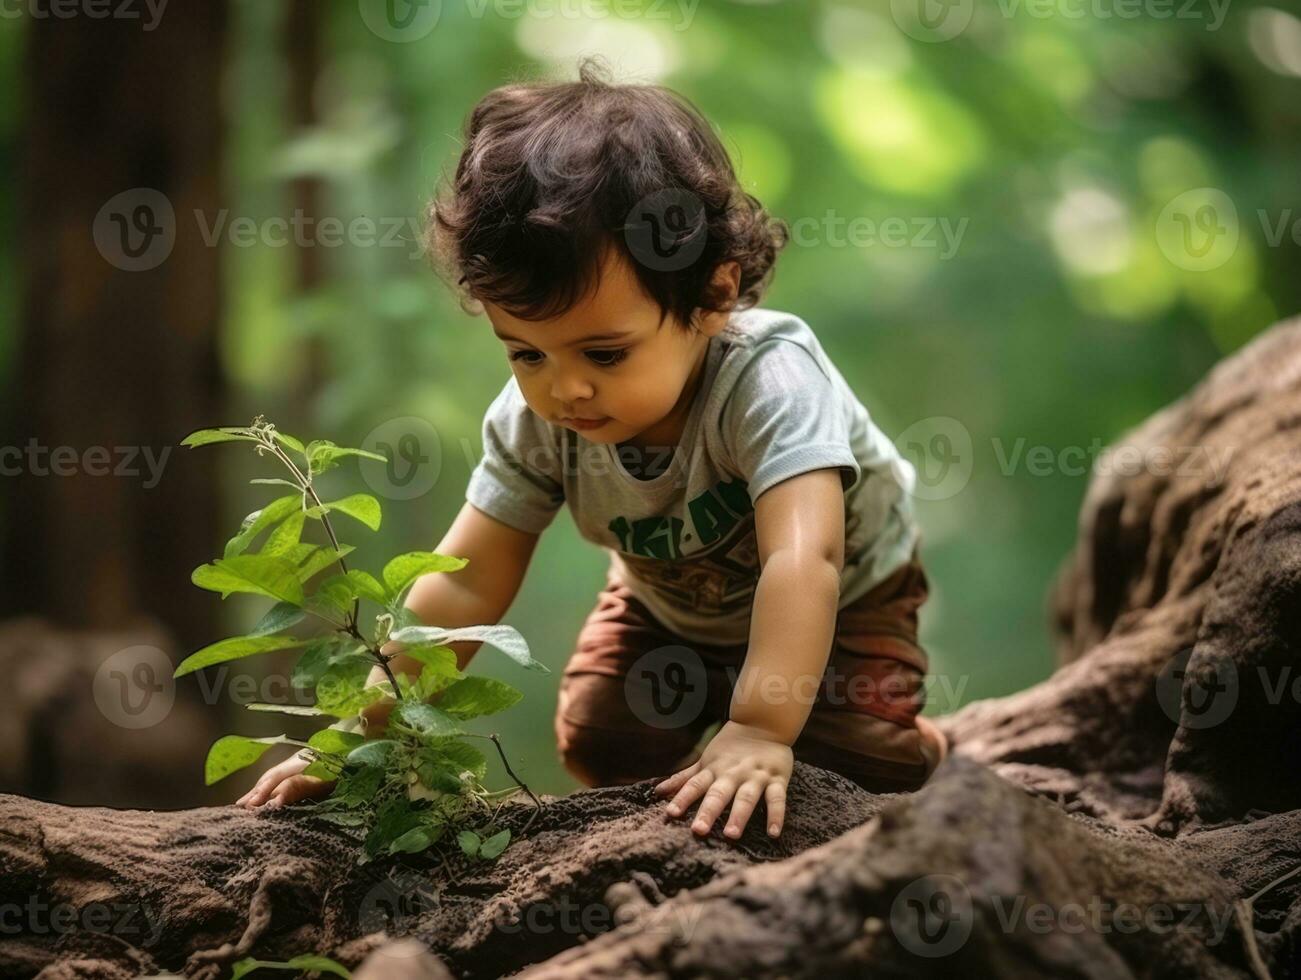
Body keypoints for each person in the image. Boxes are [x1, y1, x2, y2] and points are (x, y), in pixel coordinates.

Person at [238, 58, 947, 840]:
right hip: (667, 605)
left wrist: (759, 729)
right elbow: (466, 587)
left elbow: (800, 562)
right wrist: (358, 732)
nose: (563, 390)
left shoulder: (770, 384)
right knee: (604, 740)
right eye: (526, 353)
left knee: (854, 766)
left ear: (711, 296)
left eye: (604, 355)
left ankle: (935, 747)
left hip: (847, 596)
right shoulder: (533, 420)